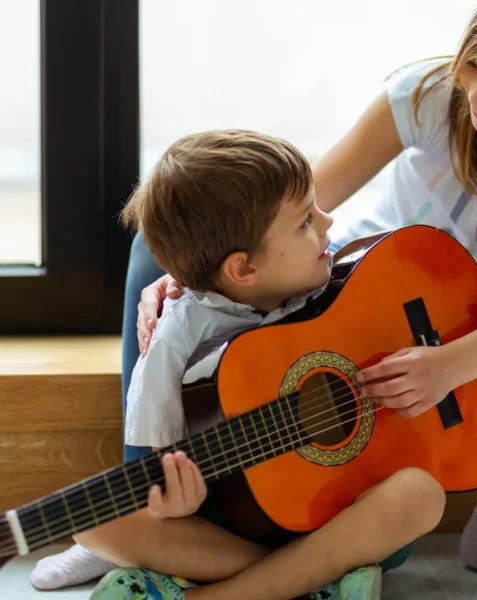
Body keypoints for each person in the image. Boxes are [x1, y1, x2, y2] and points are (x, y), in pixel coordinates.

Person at [33, 0, 477, 597]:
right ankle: (148, 485)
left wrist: (452, 364)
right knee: (159, 241)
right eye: (473, 66)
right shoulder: (427, 96)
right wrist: (202, 265)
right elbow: (309, 196)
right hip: (362, 287)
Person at [72, 130, 455, 600]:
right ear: (243, 270)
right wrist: (177, 503)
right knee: (93, 523)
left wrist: (471, 316)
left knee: (420, 495)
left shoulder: (328, 275)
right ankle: (314, 583)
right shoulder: (173, 341)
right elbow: (159, 467)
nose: (328, 221)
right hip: (239, 525)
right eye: (304, 222)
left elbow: (417, 298)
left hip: (345, 513)